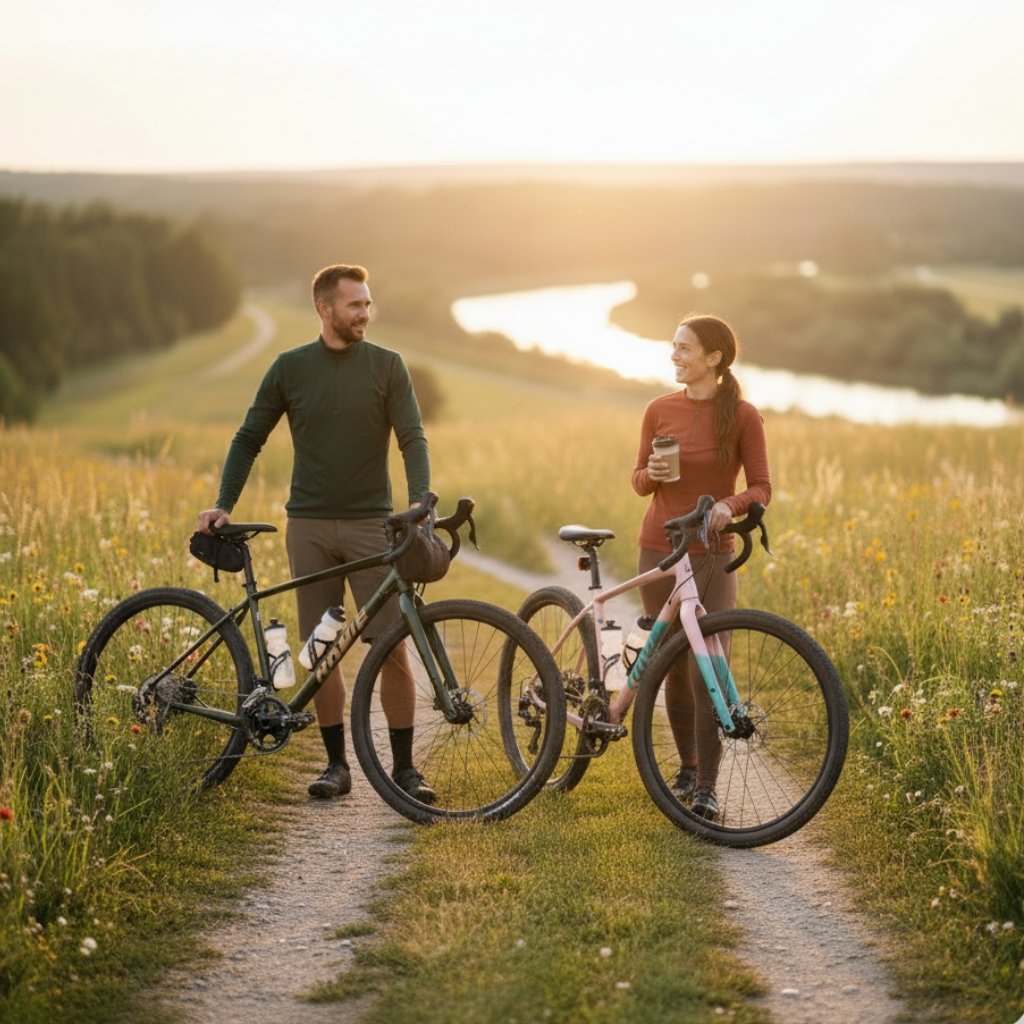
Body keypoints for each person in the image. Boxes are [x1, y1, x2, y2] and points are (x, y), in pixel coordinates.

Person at [196, 264, 435, 803]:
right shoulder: (290, 368)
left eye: (368, 304)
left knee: (391, 645)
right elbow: (248, 437)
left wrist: (419, 498)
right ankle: (335, 767)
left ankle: (405, 770)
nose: (365, 314)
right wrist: (223, 503)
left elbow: (412, 437)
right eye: (355, 305)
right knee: (321, 648)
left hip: (373, 526)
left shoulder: (388, 366)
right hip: (307, 526)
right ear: (325, 309)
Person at [610, 314, 771, 820]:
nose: (675, 356)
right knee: (675, 666)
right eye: (673, 347)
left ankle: (706, 787)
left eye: (684, 349)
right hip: (659, 547)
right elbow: (638, 481)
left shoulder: (743, 416)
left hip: (713, 553)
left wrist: (731, 504)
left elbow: (763, 487)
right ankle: (686, 767)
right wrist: (648, 474)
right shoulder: (659, 409)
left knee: (709, 666)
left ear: (714, 358)